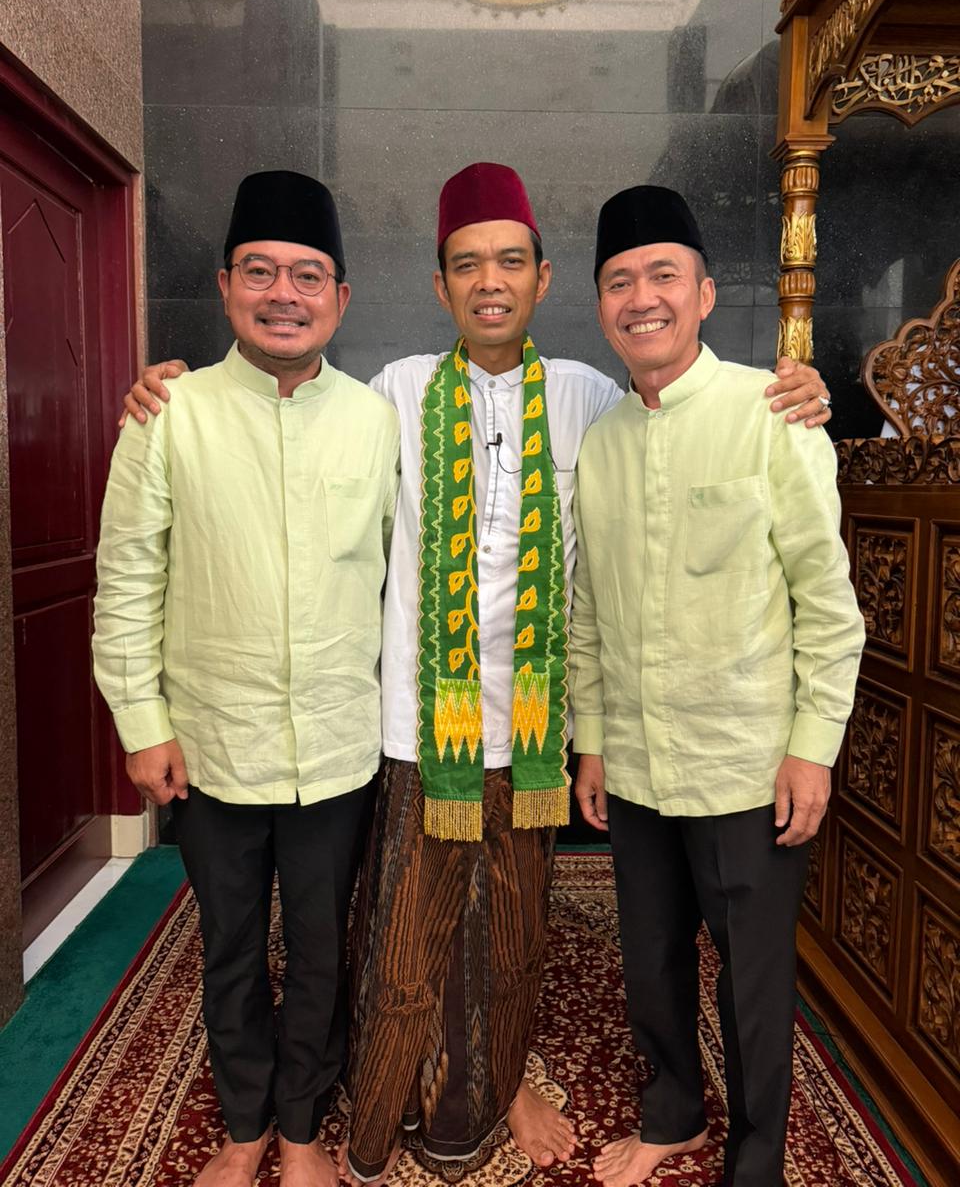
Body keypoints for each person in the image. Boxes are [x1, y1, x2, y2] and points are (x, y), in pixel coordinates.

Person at [121, 165, 831, 1186]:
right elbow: (291, 451)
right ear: (440, 283)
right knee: (402, 940)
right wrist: (163, 389)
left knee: (512, 931)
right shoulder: (389, 396)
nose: (489, 282)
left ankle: (504, 1081)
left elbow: (633, 542)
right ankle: (373, 1099)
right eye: (466, 264)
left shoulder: (596, 401)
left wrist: (800, 388)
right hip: (416, 727)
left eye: (510, 262)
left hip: (535, 733)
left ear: (544, 279)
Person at [93, 170, 400, 1187]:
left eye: (307, 276)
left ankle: (302, 1125)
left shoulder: (376, 422)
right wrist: (141, 720)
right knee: (228, 944)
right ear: (225, 286)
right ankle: (243, 1123)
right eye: (260, 272)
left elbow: (406, 578)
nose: (284, 295)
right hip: (209, 743)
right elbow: (127, 578)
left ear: (339, 297)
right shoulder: (168, 414)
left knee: (319, 947)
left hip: (338, 746)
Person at [571, 185, 864, 1187]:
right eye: (619, 281)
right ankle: (674, 1113)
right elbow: (587, 609)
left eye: (663, 275)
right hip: (637, 763)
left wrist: (812, 748)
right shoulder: (602, 441)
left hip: (747, 761)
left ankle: (756, 1161)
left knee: (753, 977)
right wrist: (591, 739)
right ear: (600, 305)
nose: (641, 298)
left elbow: (828, 602)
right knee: (650, 957)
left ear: (703, 294)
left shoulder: (771, 412)